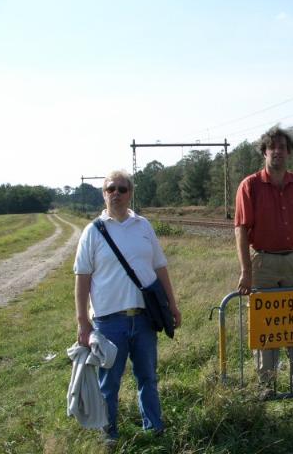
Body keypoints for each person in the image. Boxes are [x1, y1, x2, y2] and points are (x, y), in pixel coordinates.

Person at [73, 170, 182, 442]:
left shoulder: (143, 226)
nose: (117, 194)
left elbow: (160, 267)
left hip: (144, 319)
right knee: (109, 384)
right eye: (111, 189)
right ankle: (109, 435)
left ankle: (154, 428)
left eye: (122, 189)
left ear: (130, 193)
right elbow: (82, 277)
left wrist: (172, 304)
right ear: (104, 193)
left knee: (148, 378)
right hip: (109, 323)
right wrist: (83, 323)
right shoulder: (93, 231)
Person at [235, 125, 293, 397]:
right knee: (266, 323)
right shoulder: (250, 186)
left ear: (289, 153)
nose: (277, 151)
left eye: (282, 147)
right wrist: (246, 270)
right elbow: (241, 229)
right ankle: (267, 384)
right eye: (272, 147)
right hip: (263, 262)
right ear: (264, 152)